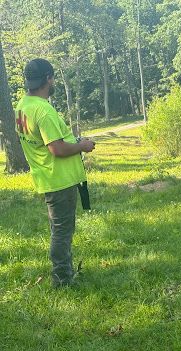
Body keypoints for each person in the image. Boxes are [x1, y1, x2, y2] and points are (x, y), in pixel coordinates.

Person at [15, 58, 95, 288]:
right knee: (61, 232)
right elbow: (57, 149)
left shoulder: (23, 106)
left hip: (45, 177)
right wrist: (82, 146)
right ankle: (62, 279)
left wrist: (75, 141)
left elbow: (44, 142)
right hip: (59, 179)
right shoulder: (44, 110)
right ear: (48, 78)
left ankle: (65, 273)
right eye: (53, 77)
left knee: (58, 229)